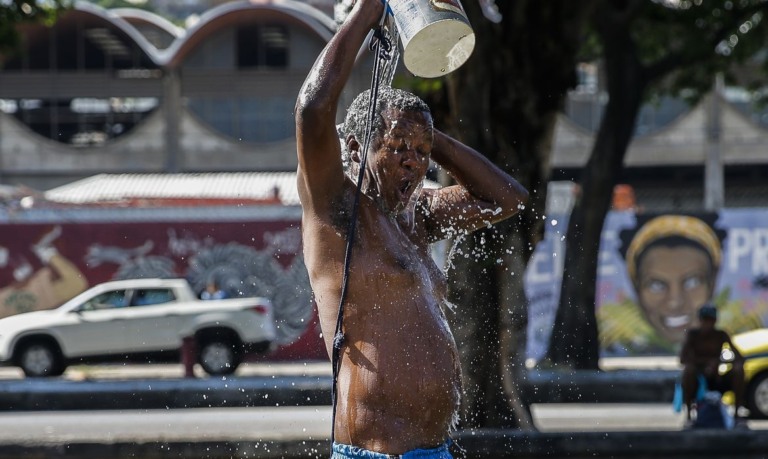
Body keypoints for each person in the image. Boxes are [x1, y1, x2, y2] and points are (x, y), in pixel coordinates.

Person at [294, 0, 528, 457]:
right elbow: (311, 112)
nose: (413, 162)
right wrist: (367, 12)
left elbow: (508, 199)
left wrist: (428, 133)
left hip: (434, 450)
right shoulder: (337, 209)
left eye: (421, 153)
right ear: (359, 148)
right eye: (398, 146)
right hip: (376, 453)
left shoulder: (417, 216)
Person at [679, 303, 747, 425]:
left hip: (717, 377)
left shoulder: (720, 335)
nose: (708, 324)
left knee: (738, 370)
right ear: (700, 320)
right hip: (698, 379)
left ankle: (737, 414)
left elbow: (740, 357)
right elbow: (682, 359)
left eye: (710, 320)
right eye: (705, 320)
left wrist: (719, 362)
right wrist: (705, 363)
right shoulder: (693, 335)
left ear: (715, 321)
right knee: (688, 371)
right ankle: (689, 416)